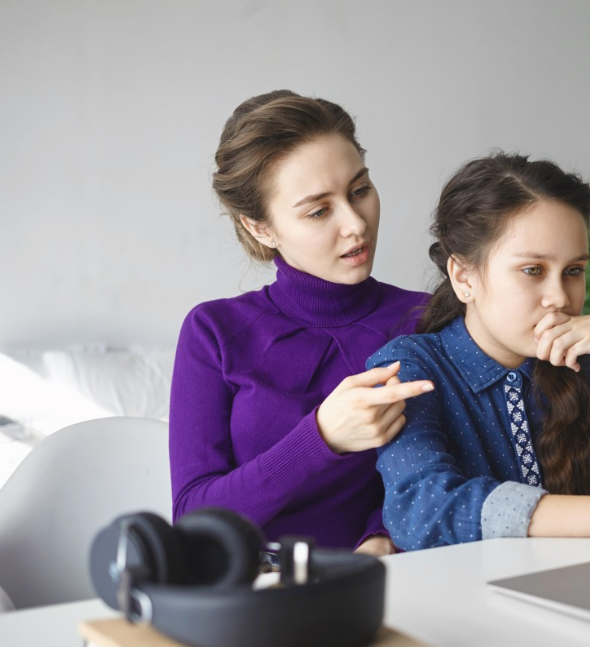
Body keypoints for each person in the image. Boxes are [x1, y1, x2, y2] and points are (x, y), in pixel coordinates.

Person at [367, 152, 590, 551]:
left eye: (574, 271)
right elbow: (426, 511)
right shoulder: (410, 369)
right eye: (533, 270)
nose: (560, 297)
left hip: (588, 595)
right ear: (463, 276)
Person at [170, 90, 433, 556]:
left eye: (360, 190)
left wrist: (382, 537)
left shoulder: (424, 320)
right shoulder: (214, 332)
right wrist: (321, 437)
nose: (355, 223)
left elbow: (447, 471)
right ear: (260, 227)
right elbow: (194, 520)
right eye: (318, 210)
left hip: (393, 579)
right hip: (255, 592)